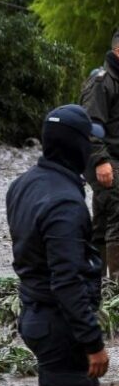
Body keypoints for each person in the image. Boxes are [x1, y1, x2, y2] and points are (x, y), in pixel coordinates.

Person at [5, 104, 110, 386]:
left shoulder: (24, 184)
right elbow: (67, 282)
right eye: (89, 141)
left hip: (36, 312)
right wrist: (93, 342)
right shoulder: (67, 204)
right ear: (75, 147)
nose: (93, 149)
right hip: (60, 323)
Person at [79, 30, 119, 276]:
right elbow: (89, 128)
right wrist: (101, 161)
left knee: (103, 223)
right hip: (103, 159)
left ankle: (95, 282)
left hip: (113, 159)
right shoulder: (101, 82)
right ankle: (115, 286)